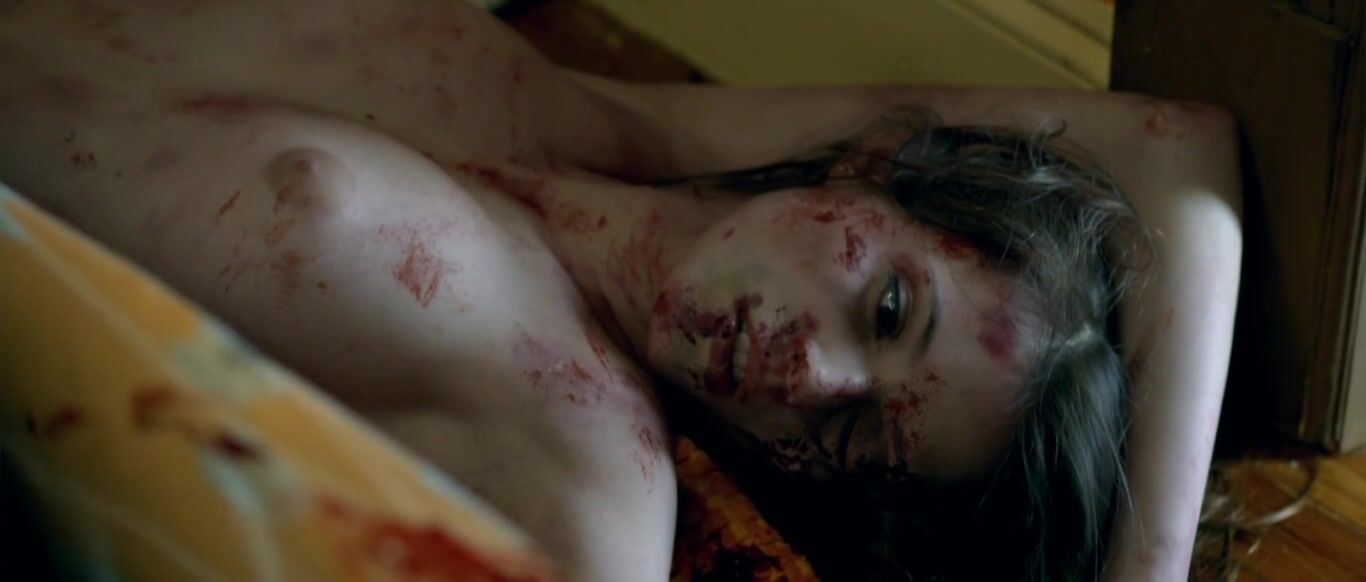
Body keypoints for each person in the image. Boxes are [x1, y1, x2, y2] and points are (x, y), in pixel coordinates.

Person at [0, 0, 1242, 579]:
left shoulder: (584, 468)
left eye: (855, 436)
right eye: (887, 310)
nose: (806, 375)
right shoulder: (633, 123)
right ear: (875, 174)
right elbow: (1174, 140)